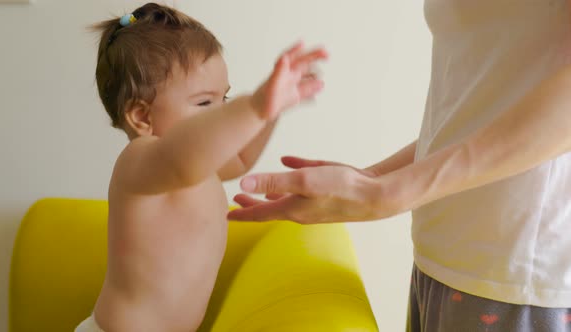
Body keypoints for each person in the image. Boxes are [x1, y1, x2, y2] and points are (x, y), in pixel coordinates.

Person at [228, 1, 571, 331]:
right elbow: (482, 104)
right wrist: (376, 178)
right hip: (447, 260)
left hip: (519, 280)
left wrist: (388, 192)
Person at [77, 3, 327, 331]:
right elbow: (184, 159)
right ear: (142, 117)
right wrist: (252, 106)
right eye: (204, 102)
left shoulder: (201, 166)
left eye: (224, 99)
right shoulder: (141, 161)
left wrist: (270, 110)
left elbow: (239, 159)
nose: (220, 112)